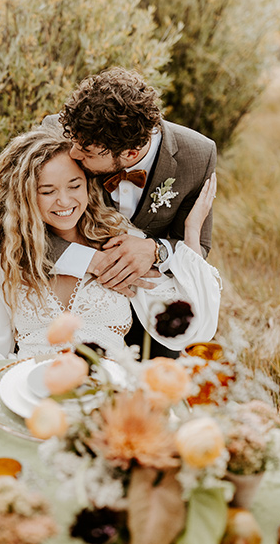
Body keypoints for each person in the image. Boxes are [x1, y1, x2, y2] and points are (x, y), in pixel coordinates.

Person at [0, 128, 220, 364]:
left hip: (106, 392)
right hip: (32, 390)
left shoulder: (117, 241)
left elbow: (193, 325)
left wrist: (192, 233)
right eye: (47, 191)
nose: (64, 201)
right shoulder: (11, 255)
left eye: (75, 185)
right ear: (24, 198)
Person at [43, 66, 217, 356]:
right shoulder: (56, 135)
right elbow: (18, 223)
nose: (73, 154)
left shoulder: (197, 155)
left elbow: (198, 246)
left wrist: (155, 250)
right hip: (69, 294)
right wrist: (93, 261)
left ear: (131, 154)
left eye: (86, 153)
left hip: (148, 305)